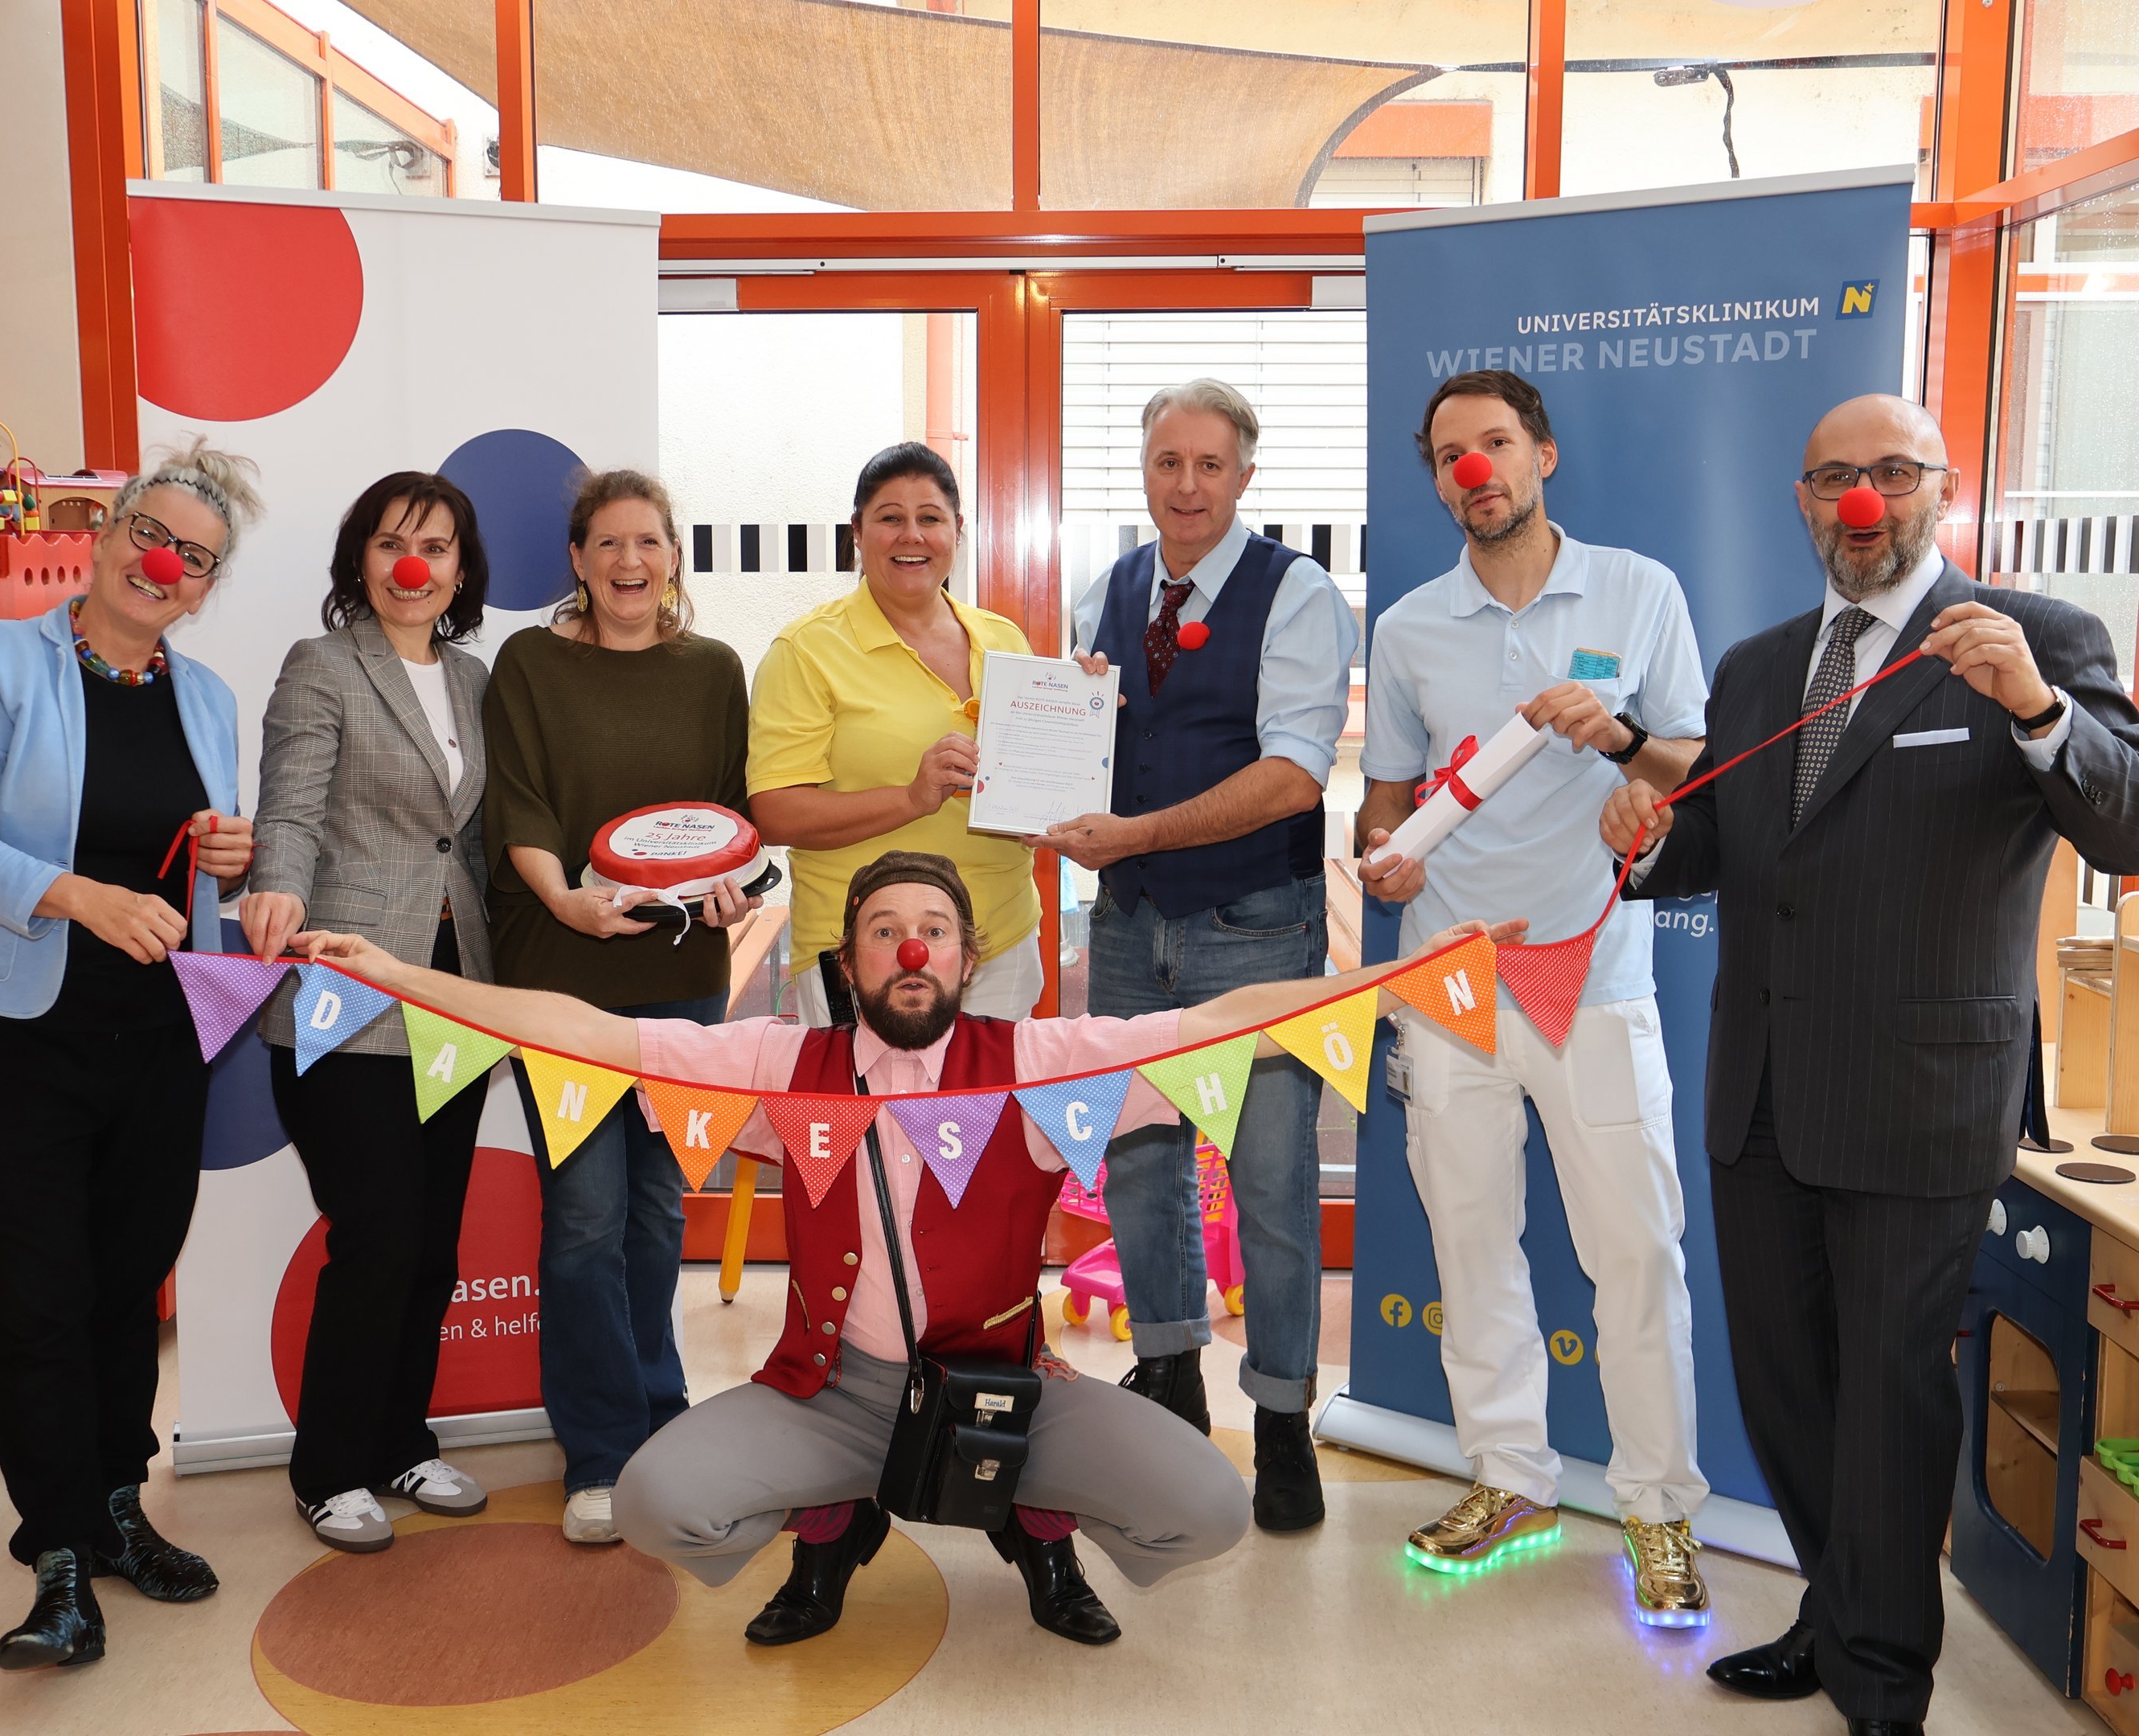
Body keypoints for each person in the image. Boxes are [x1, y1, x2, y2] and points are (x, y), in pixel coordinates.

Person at [290, 851, 1524, 1647]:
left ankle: (1029, 1518)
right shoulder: (782, 1062)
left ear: (970, 959)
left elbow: (1226, 1019)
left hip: (1006, 1388)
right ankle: (838, 1519)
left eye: (934, 929)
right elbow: (583, 1029)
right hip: (833, 1390)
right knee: (661, 1504)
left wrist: (1407, 977)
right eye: (885, 931)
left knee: (1205, 1512)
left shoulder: (1040, 1059)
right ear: (849, 963)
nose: (912, 950)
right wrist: (402, 975)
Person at [1599, 395, 2139, 1734]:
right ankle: (1836, 1607)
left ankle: (1882, 1678)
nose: (1864, 499)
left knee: (1891, 1394)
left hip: (1921, 1096)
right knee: (1787, 1388)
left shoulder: (2031, 639)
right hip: (1762, 1092)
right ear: (1804, 501)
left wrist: (2038, 709)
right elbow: (1720, 845)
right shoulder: (1757, 667)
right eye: (1835, 478)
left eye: (1894, 473)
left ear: (1943, 489)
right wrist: (1645, 837)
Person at [1353, 370, 1714, 1621]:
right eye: (1449, 454)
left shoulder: (1638, 591)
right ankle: (1509, 1478)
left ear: (1540, 455)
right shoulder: (1408, 627)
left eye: (1495, 443)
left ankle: (1658, 1507)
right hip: (1449, 975)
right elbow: (1384, 803)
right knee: (1470, 1241)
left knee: (1636, 1253)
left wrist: (1623, 752)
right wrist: (1383, 852)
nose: (1474, 470)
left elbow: (1693, 763)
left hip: (1593, 972)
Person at [0, 439, 260, 1669]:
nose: (165, 565)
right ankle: (57, 1556)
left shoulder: (206, 698)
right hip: (14, 1029)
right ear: (103, 541)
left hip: (159, 1034)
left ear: (205, 589)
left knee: (125, 1282)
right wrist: (75, 896)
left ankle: (116, 1507)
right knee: (40, 1293)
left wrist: (228, 863)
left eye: (195, 559)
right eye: (150, 536)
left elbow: (201, 867)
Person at [1035, 378, 1358, 1533]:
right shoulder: (1107, 593)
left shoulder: (1299, 594)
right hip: (1129, 926)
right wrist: (1046, 759)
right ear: (1144, 472)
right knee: (1138, 1167)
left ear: (1245, 476)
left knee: (1270, 1185)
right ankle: (1170, 1375)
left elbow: (1294, 777)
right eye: (1167, 462)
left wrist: (1133, 835)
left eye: (1210, 465)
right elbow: (1083, 748)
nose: (1187, 486)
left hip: (1254, 928)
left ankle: (1279, 1420)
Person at [481, 469, 751, 1545]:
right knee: (586, 1221)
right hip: (561, 974)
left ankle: (659, 1420)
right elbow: (519, 805)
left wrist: (736, 888)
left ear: (674, 556)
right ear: (578, 560)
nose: (629, 563)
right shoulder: (530, 662)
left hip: (684, 979)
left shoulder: (715, 670)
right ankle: (598, 1454)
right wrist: (567, 903)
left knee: (656, 1212)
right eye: (607, 544)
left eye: (648, 542)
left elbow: (728, 814)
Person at [238, 472, 498, 1554]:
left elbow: (473, 840)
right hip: (342, 988)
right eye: (393, 543)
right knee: (379, 1234)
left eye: (435, 547)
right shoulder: (323, 666)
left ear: (462, 569)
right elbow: (291, 810)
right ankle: (330, 1467)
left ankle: (401, 1440)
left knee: (432, 1243)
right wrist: (276, 888)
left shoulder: (477, 680)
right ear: (361, 558)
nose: (413, 566)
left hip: (453, 993)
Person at [748, 442, 1042, 1025]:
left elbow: (1032, 788)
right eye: (890, 518)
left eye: (930, 518)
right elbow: (776, 814)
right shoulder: (806, 650)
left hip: (999, 941)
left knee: (991, 1089)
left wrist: (1084, 716)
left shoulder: (1003, 639)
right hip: (864, 949)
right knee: (867, 1092)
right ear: (858, 531)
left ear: (957, 530)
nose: (912, 536)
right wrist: (911, 798)